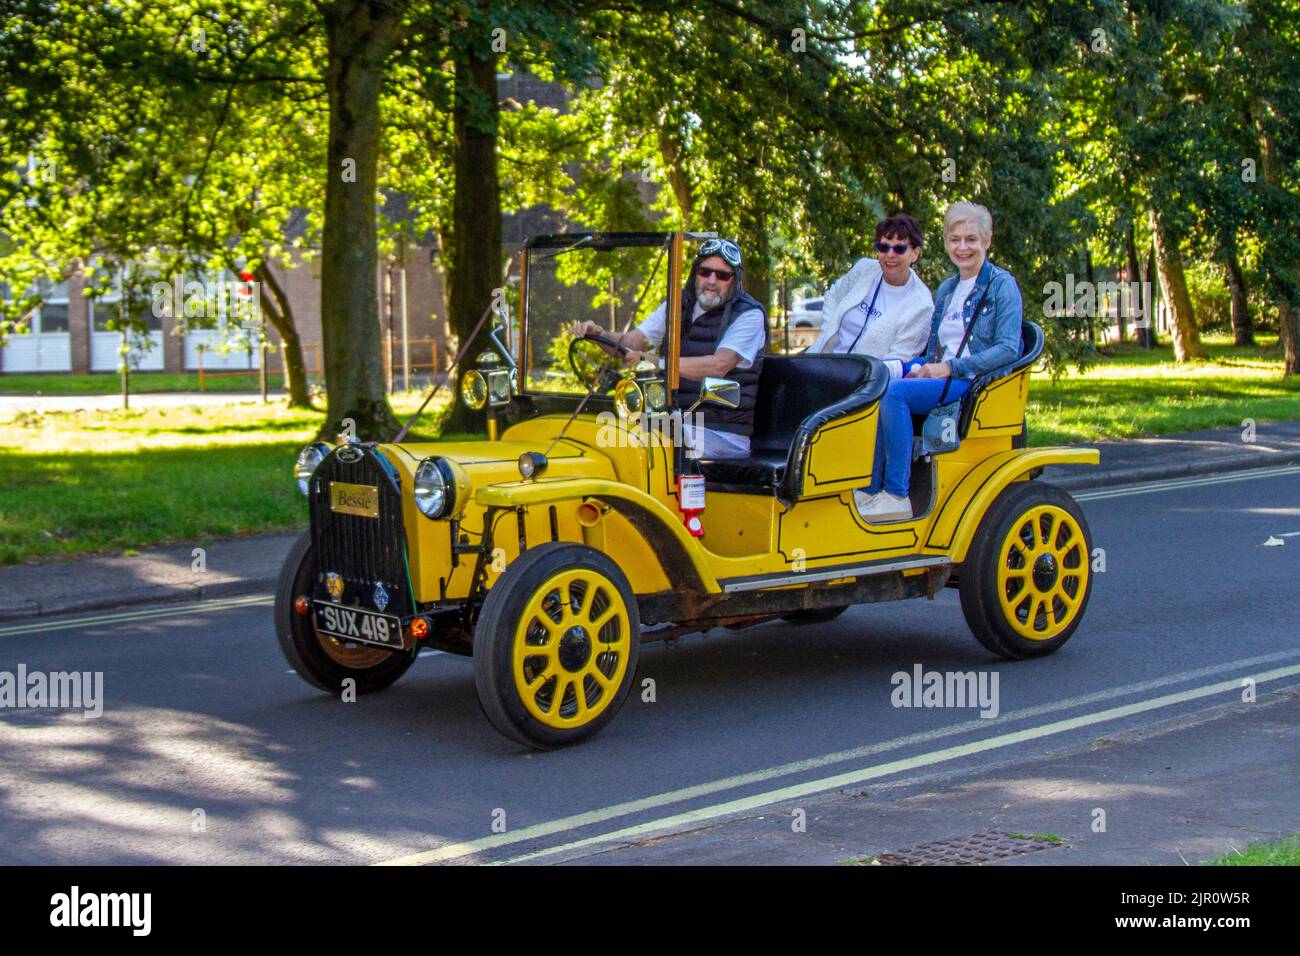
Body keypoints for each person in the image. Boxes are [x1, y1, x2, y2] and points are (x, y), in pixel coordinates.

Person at [857, 201, 1024, 521]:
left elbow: (1007, 350)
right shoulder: (948, 289)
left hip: (974, 382)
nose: (963, 247)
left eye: (971, 239)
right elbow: (934, 349)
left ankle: (895, 494)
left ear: (986, 241)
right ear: (947, 242)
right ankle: (869, 490)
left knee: (895, 394)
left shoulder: (1002, 285)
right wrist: (912, 366)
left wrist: (951, 367)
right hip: (943, 377)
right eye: (955, 239)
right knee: (883, 384)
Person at [569, 238, 766, 459]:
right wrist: (599, 335)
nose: (711, 280)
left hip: (722, 433)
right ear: (695, 273)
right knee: (597, 438)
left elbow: (719, 365)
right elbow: (634, 343)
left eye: (722, 275)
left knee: (639, 447)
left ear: (735, 280)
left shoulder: (749, 315)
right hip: (672, 421)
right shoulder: (677, 304)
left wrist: (657, 362)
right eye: (705, 272)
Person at [805, 213, 933, 379]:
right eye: (883, 247)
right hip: (819, 363)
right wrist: (827, 330)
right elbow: (833, 295)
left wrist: (855, 377)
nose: (890, 255)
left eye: (899, 249)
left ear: (915, 253)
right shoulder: (864, 269)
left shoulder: (921, 306)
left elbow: (897, 361)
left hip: (861, 387)